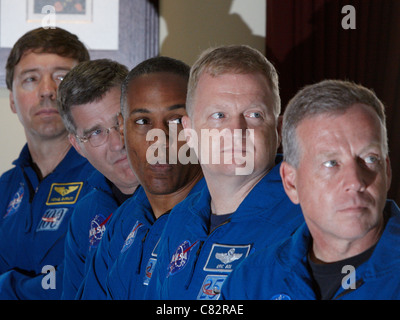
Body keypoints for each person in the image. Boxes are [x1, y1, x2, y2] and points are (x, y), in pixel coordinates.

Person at [145, 45, 304, 300]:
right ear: (190, 132)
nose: (236, 130)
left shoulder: (307, 223)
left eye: (254, 115)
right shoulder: (178, 222)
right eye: (219, 115)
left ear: (279, 131)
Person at [221, 79, 400, 300]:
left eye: (369, 159)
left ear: (387, 171)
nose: (355, 181)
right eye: (331, 163)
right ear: (291, 183)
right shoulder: (251, 281)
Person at [77, 56, 204, 299]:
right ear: (123, 128)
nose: (159, 139)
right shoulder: (123, 221)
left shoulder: (219, 215)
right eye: (143, 121)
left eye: (176, 120)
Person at [0, 27, 94, 299]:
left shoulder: (109, 180)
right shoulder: (5, 189)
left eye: (61, 77)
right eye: (30, 79)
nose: (47, 91)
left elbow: (82, 282)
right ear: (12, 100)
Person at [56, 59, 140, 299]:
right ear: (78, 146)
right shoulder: (85, 213)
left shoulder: (190, 196)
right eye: (95, 133)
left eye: (120, 122)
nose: (117, 143)